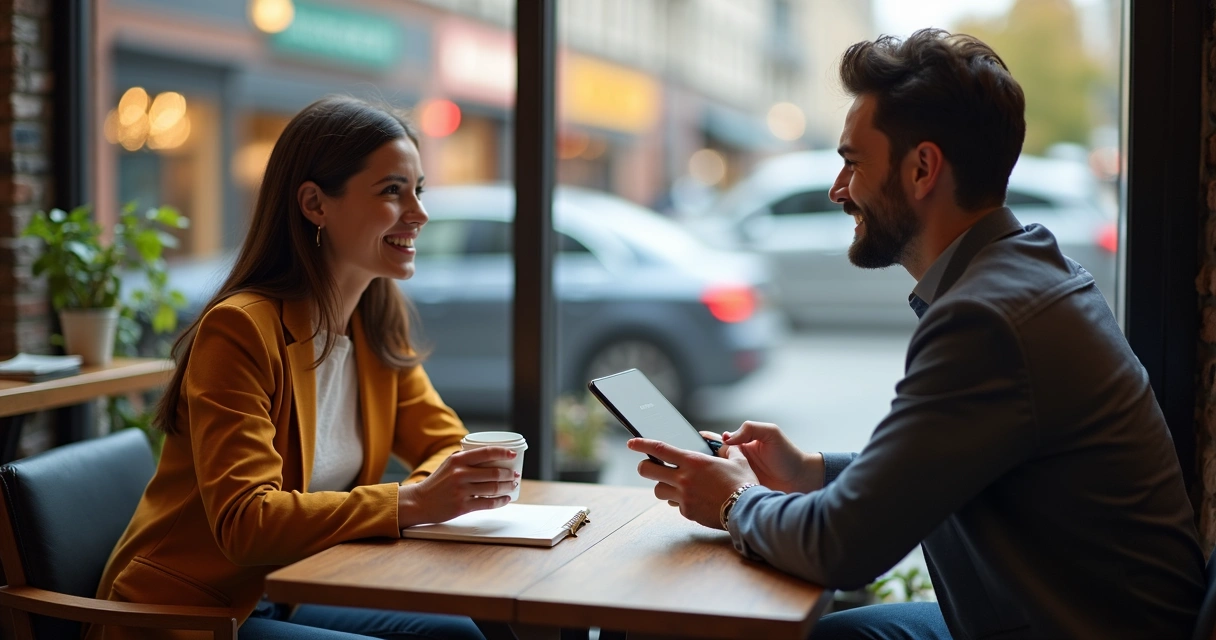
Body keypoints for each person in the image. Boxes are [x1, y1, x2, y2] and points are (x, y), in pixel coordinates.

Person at [628, 29, 1206, 639]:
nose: (837, 190)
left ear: (923, 168)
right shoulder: (1020, 274)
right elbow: (927, 469)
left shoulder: (988, 320)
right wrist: (809, 473)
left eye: (852, 162)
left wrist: (734, 501)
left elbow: (843, 547)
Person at [85, 96, 516, 640]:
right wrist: (409, 501)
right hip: (191, 613)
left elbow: (445, 442)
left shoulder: (373, 324)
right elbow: (246, 521)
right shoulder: (240, 329)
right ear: (315, 204)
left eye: (419, 190)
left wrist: (431, 492)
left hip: (290, 591)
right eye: (392, 191)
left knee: (459, 634)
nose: (420, 212)